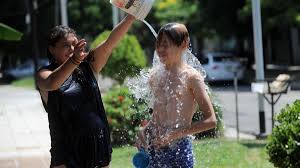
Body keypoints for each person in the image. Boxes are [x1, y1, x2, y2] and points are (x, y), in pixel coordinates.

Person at [37, 15, 136, 168]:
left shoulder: (88, 65)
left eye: (74, 44)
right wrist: (74, 60)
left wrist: (131, 17)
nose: (71, 49)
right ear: (52, 49)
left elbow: (110, 42)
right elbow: (52, 84)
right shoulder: (44, 74)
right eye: (65, 45)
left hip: (97, 145)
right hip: (66, 152)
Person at [136, 23, 217, 168]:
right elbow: (158, 117)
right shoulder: (155, 76)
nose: (160, 49)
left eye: (166, 44)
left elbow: (211, 120)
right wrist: (145, 131)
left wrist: (174, 135)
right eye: (158, 44)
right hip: (154, 150)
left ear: (184, 44)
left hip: (179, 152)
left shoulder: (192, 78)